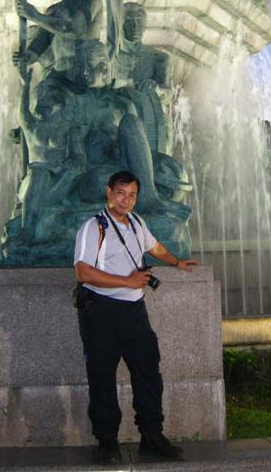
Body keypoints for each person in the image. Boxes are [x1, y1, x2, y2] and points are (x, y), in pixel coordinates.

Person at [73, 170, 197, 464]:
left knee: (148, 375)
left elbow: (155, 248)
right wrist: (128, 281)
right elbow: (82, 272)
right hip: (101, 312)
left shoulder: (138, 223)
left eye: (132, 195)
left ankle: (152, 436)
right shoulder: (93, 227)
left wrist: (176, 261)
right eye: (120, 193)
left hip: (135, 313)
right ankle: (107, 443)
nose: (126, 200)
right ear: (108, 192)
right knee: (102, 378)